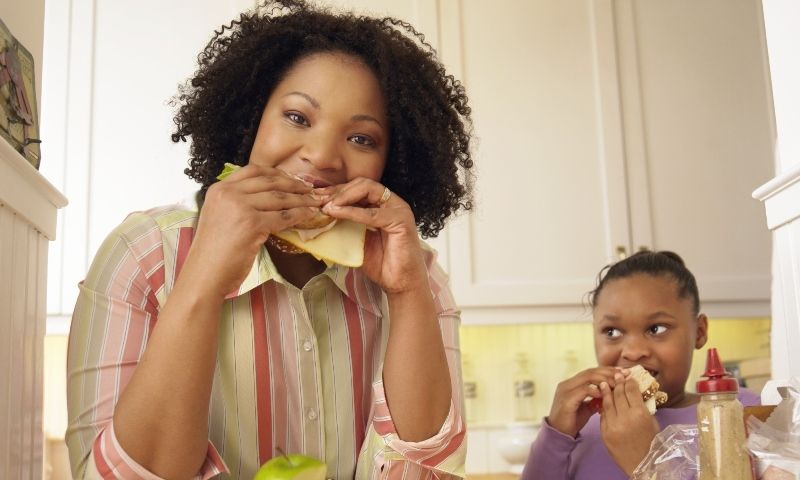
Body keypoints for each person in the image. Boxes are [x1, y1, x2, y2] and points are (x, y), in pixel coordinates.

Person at [65, 1, 474, 478]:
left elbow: (429, 474)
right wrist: (203, 276)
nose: (322, 157)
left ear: (393, 162)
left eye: (362, 139)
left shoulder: (418, 277)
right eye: (298, 117)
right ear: (251, 118)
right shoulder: (143, 255)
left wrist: (406, 295)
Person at [521, 250, 761, 479]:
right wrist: (555, 436)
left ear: (699, 332)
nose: (633, 352)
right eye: (612, 331)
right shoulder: (579, 430)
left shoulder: (738, 411)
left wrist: (651, 462)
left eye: (656, 329)